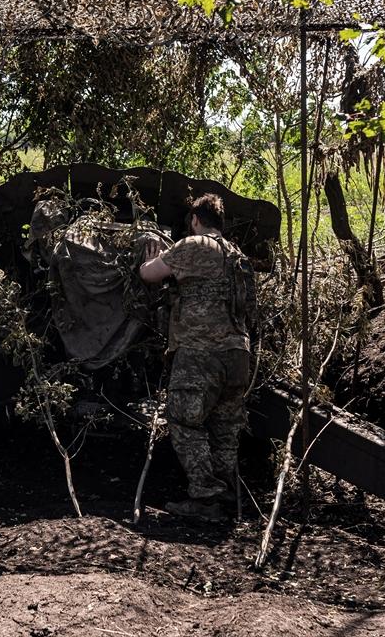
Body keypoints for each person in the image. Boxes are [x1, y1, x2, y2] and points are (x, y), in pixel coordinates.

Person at [139, 193, 252, 522]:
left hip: (202, 352)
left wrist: (151, 257)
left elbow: (149, 274)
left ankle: (205, 499)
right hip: (238, 355)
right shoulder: (238, 256)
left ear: (195, 220)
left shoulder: (195, 244)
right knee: (224, 426)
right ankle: (226, 493)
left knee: (184, 420)